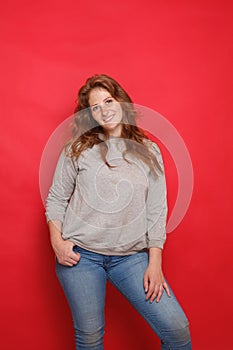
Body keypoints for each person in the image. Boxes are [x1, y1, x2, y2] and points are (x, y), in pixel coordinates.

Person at [45, 74, 192, 350]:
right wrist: (57, 242)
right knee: (89, 339)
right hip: (81, 258)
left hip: (130, 258)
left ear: (121, 102)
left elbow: (157, 209)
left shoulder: (149, 151)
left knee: (177, 329)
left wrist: (155, 260)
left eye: (109, 100)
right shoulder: (77, 149)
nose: (104, 110)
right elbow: (56, 198)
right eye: (95, 107)